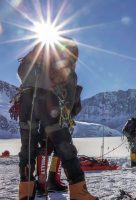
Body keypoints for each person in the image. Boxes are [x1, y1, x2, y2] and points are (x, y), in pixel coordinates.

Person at [17, 37, 98, 199]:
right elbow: (69, 99)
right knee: (64, 146)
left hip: (26, 101)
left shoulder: (35, 57)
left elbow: (21, 71)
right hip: (50, 102)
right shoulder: (65, 64)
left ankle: (25, 192)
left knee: (27, 148)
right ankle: (78, 191)